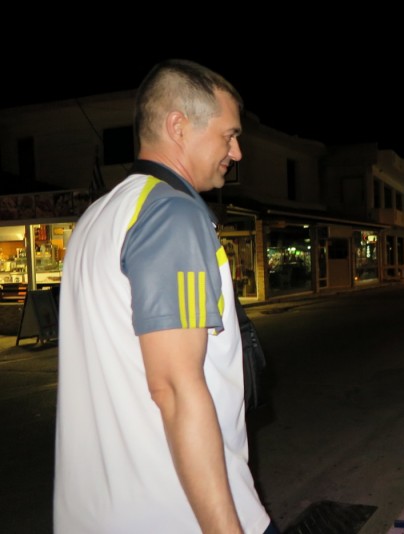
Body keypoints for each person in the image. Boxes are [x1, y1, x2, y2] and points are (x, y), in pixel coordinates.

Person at [54, 59, 276, 533]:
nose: (236, 153)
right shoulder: (172, 215)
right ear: (179, 126)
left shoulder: (98, 216)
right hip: (178, 512)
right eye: (229, 135)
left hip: (97, 514)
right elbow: (174, 387)